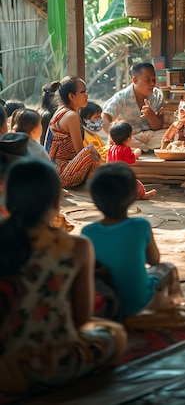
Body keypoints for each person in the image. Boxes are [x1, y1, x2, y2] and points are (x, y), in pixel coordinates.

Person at [0, 158, 126, 395]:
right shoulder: (76, 247)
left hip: (5, 358)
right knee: (115, 334)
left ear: (9, 198)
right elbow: (81, 319)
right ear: (56, 200)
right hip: (54, 364)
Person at [82, 163, 185, 323]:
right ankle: (174, 308)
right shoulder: (140, 226)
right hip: (138, 304)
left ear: (93, 198)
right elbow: (154, 260)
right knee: (168, 269)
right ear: (133, 196)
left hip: (105, 303)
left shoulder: (88, 232)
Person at [47, 76, 102, 188]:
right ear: (71, 96)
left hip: (55, 172)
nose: (87, 95)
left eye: (86, 91)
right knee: (90, 150)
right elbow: (80, 152)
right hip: (62, 174)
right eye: (83, 92)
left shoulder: (60, 112)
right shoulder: (71, 116)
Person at [102, 62, 167, 153]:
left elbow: (157, 126)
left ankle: (139, 149)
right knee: (121, 142)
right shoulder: (121, 97)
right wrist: (115, 136)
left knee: (170, 135)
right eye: (148, 80)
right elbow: (105, 116)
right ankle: (140, 148)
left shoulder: (157, 95)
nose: (152, 84)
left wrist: (151, 115)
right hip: (129, 138)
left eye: (154, 79)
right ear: (135, 80)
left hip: (150, 135)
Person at [108, 120, 156, 199]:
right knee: (136, 185)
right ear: (128, 138)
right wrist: (137, 152)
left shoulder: (111, 147)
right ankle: (143, 195)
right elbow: (131, 160)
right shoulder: (125, 149)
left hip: (110, 174)